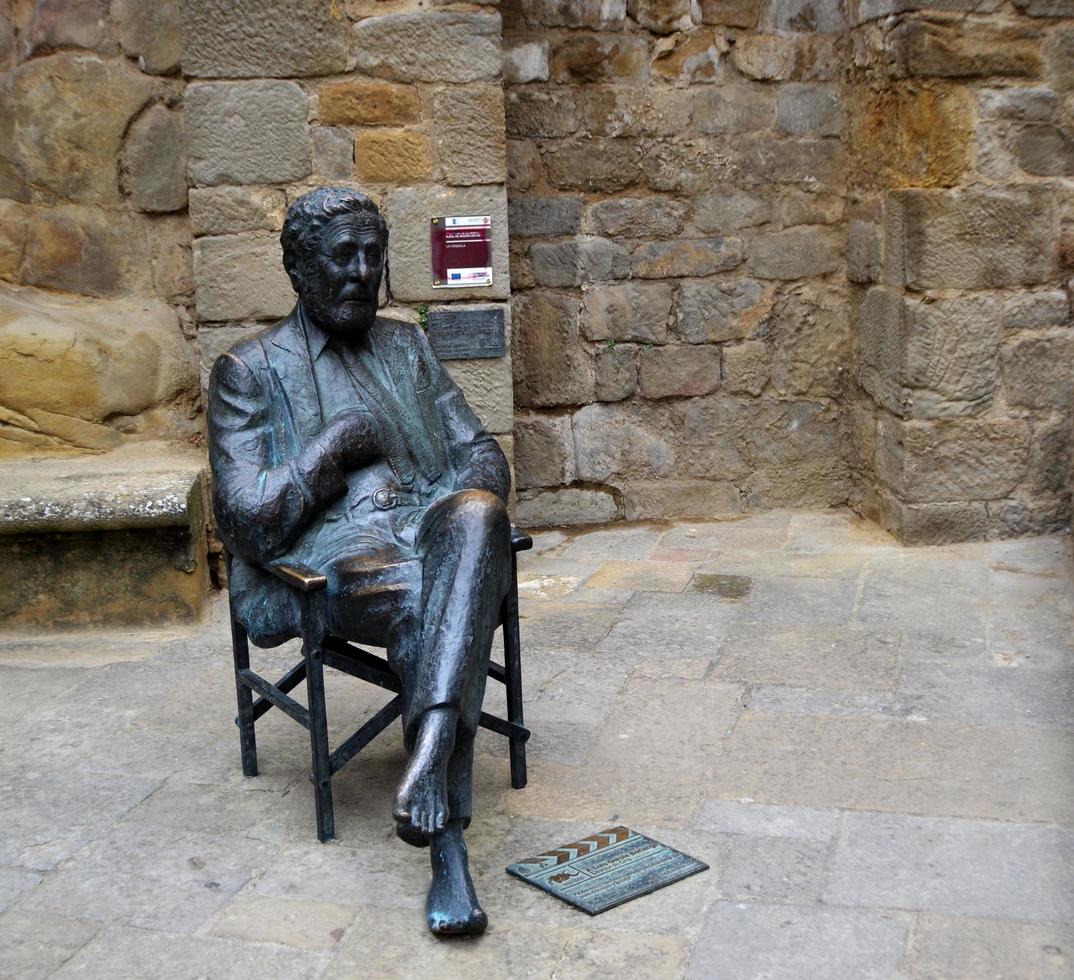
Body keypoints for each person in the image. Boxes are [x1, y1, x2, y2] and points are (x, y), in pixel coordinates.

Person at [207, 187, 511, 936]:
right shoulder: (249, 372)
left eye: (373, 255)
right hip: (331, 555)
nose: (362, 271)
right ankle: (447, 849)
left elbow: (482, 454)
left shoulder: (406, 346)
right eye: (343, 256)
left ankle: (429, 758)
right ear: (300, 268)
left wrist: (447, 502)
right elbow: (245, 523)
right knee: (429, 602)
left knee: (476, 516)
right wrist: (332, 445)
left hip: (429, 530)